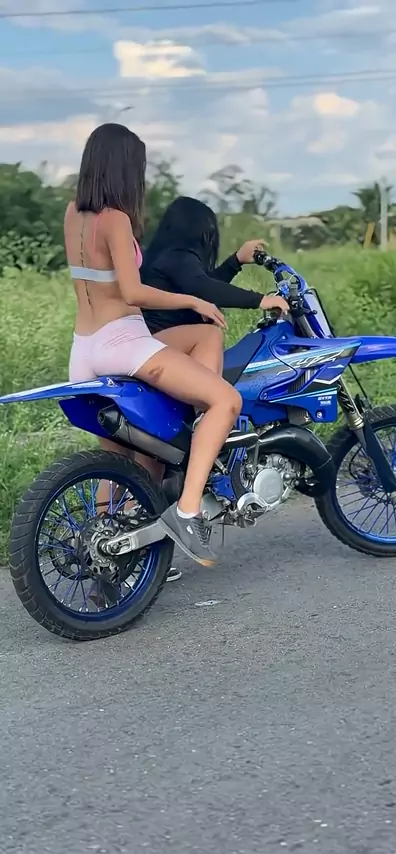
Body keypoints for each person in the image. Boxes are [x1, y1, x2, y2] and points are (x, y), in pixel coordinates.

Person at [64, 122, 249, 567]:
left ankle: (107, 551)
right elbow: (133, 292)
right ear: (125, 168)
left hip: (83, 349)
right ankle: (188, 512)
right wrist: (192, 299)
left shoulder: (73, 213)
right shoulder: (116, 219)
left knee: (118, 459)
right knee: (227, 400)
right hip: (121, 341)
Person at [140, 196, 288, 375]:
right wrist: (261, 300)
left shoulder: (164, 255)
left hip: (161, 338)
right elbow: (203, 287)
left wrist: (236, 261)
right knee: (211, 334)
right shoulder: (176, 256)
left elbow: (202, 283)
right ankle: (208, 393)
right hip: (161, 340)